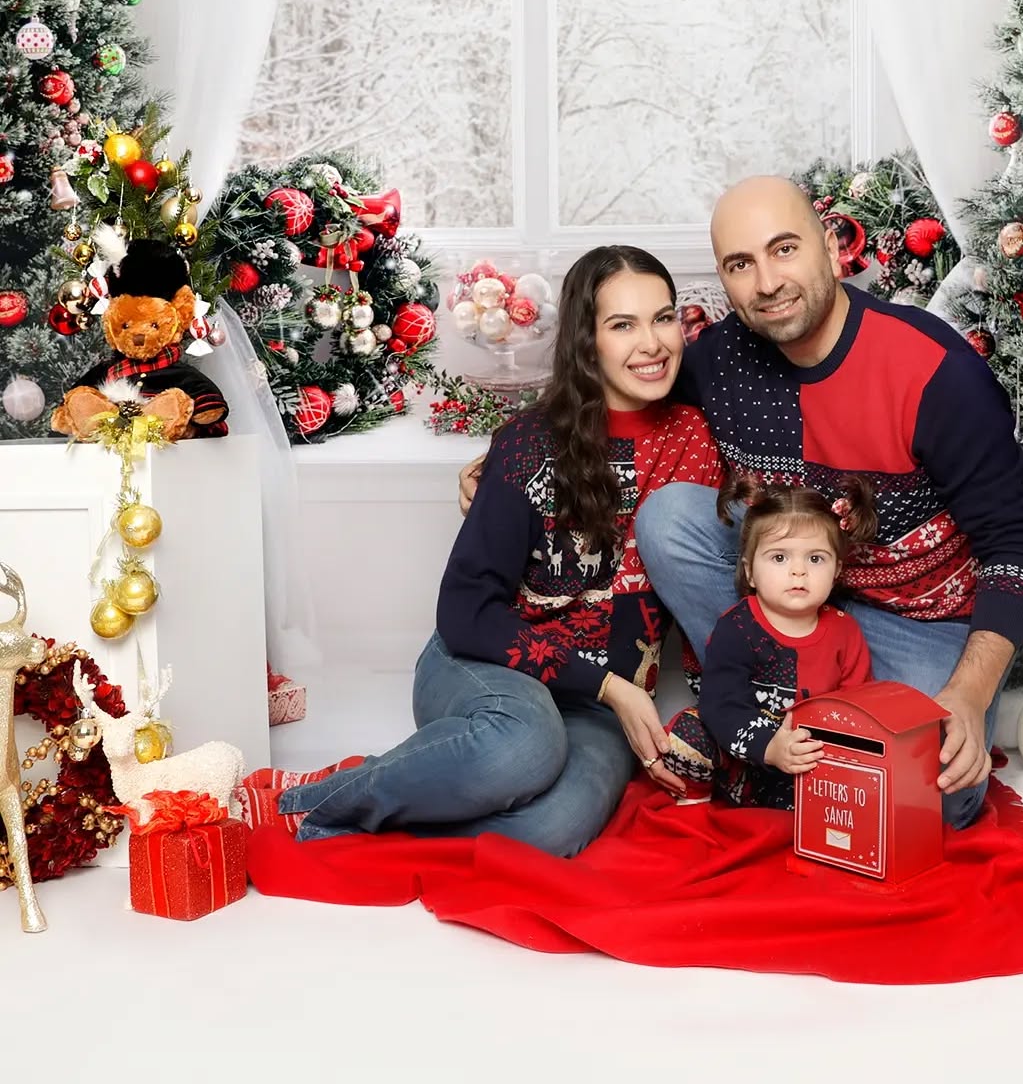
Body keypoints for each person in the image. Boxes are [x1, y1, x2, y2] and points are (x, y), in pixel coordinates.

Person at [252, 245, 724, 854]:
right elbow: (467, 613)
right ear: (586, 340)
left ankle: (409, 796)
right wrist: (616, 688)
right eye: (622, 324)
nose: (652, 342)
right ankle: (308, 799)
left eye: (662, 318)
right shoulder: (531, 444)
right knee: (524, 747)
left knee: (548, 832)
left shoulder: (700, 441)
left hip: (595, 705)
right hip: (484, 664)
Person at [633, 175, 1023, 830]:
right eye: (740, 265)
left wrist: (968, 696)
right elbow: (621, 391)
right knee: (670, 519)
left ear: (830, 247)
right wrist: (512, 454)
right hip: (787, 598)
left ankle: (802, 749)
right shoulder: (720, 360)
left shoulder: (932, 370)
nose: (767, 282)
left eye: (784, 249)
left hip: (914, 620)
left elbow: (1016, 544)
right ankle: (748, 715)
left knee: (936, 795)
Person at [664, 474, 876, 808]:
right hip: (743, 759)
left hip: (805, 763)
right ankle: (694, 798)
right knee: (686, 731)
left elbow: (857, 709)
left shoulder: (844, 632)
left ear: (836, 570)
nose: (798, 572)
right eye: (779, 558)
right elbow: (721, 705)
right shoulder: (736, 628)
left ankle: (793, 810)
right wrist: (769, 747)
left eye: (815, 558)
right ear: (750, 571)